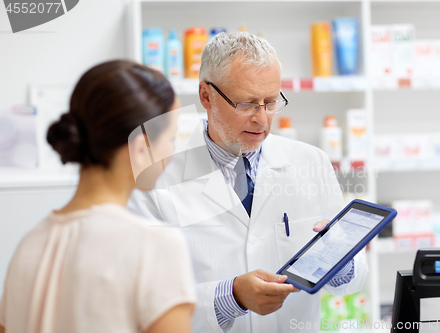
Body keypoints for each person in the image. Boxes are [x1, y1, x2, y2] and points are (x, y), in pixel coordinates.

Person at [128, 32, 367, 333]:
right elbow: (145, 300)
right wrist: (231, 296)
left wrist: (338, 259)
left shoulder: (311, 162)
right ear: (206, 96)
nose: (262, 119)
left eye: (270, 103)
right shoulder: (157, 175)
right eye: (247, 104)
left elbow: (354, 279)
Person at [0, 60, 196, 333]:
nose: (173, 151)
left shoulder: (28, 246)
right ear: (141, 148)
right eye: (171, 138)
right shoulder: (154, 245)